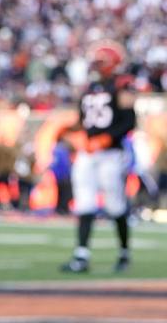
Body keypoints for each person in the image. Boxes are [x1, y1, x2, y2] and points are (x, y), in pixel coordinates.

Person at [60, 40, 136, 274]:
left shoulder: (122, 86)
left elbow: (129, 121)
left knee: (115, 205)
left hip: (111, 154)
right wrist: (76, 135)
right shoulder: (89, 89)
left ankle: (124, 252)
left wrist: (106, 139)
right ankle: (81, 255)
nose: (95, 66)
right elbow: (83, 121)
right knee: (84, 203)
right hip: (88, 153)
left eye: (100, 62)